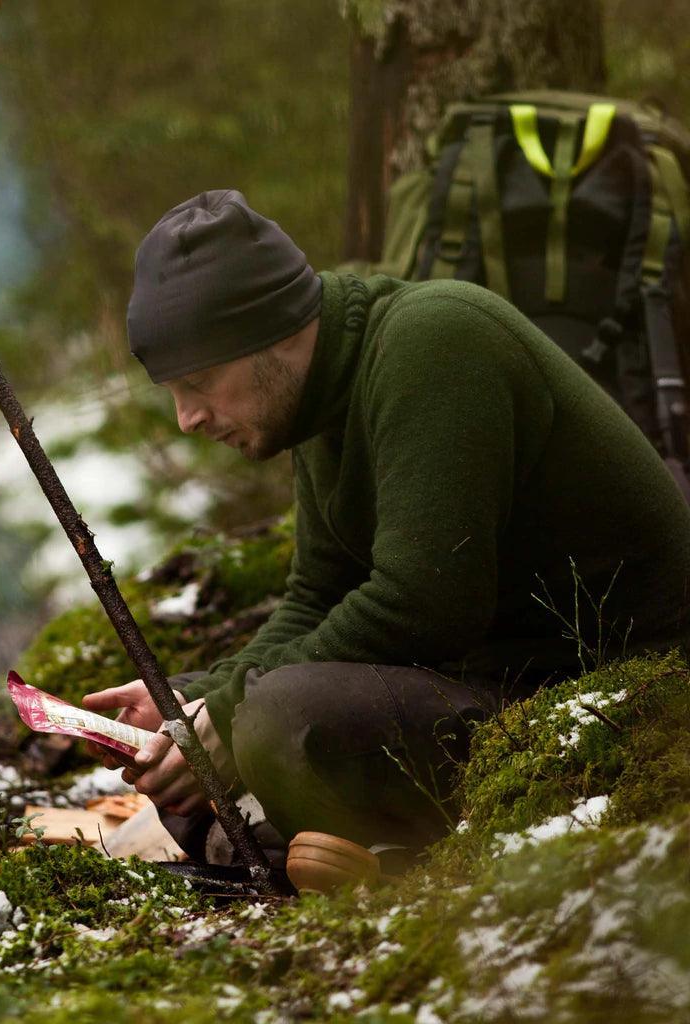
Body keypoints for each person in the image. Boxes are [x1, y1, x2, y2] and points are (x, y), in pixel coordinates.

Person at [82, 189, 690, 870]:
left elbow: (426, 603)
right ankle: (313, 848)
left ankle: (320, 850)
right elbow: (315, 597)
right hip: (500, 687)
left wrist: (227, 715)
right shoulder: (317, 401)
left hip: (615, 701)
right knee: (195, 726)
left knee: (270, 718)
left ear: (275, 331)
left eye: (199, 382)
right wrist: (197, 703)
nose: (187, 418)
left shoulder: (436, 342)